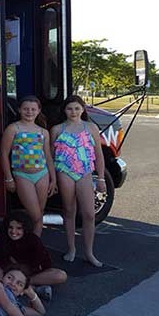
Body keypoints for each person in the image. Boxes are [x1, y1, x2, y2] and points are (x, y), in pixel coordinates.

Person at [50, 95, 107, 267]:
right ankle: (71, 248)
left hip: (85, 172)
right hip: (65, 171)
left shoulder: (90, 128)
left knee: (89, 213)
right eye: (69, 108)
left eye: (76, 108)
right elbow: (51, 157)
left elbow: (98, 154)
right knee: (69, 210)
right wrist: (53, 179)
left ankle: (89, 252)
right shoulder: (57, 129)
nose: (73, 112)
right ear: (64, 110)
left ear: (83, 109)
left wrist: (102, 177)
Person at [0, 96, 56, 236]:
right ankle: (27, 242)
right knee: (35, 214)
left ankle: (35, 245)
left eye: (33, 109)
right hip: (22, 175)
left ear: (38, 111)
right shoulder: (13, 128)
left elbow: (48, 156)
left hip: (42, 174)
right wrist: (8, 178)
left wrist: (53, 179)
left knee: (40, 213)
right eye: (25, 109)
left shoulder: (43, 132)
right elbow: (4, 154)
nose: (29, 112)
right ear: (19, 110)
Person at [0, 210, 67, 301]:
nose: (14, 231)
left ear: (25, 229)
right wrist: (11, 270)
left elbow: (46, 264)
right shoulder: (3, 239)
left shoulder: (33, 240)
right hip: (10, 273)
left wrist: (24, 273)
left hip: (30, 275)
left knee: (61, 275)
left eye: (19, 228)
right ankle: (32, 289)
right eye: (11, 227)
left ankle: (19, 286)